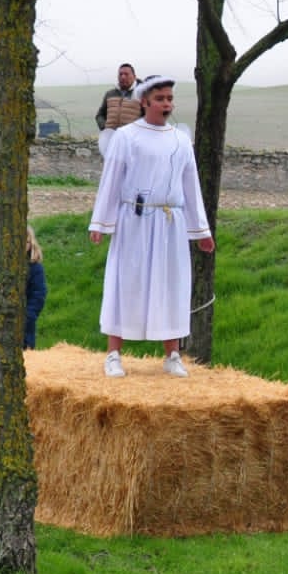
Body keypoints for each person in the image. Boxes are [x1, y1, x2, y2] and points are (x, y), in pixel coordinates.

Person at [89, 75, 213, 377]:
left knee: (171, 284)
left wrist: (201, 231)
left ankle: (172, 354)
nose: (167, 104)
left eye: (170, 98)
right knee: (125, 280)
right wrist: (101, 222)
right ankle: (113, 354)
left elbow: (190, 185)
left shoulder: (180, 140)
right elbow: (112, 180)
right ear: (145, 102)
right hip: (135, 220)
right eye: (160, 99)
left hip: (170, 222)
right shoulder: (126, 137)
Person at [23, 226, 48, 349]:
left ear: (31, 243)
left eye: (25, 241)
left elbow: (38, 294)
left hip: (25, 322)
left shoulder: (35, 268)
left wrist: (29, 316)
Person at [96, 63, 136, 136]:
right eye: (120, 74)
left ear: (134, 76)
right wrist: (105, 128)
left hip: (132, 139)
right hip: (111, 138)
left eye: (126, 74)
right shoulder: (110, 94)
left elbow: (146, 117)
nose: (123, 77)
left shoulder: (141, 94)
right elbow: (100, 115)